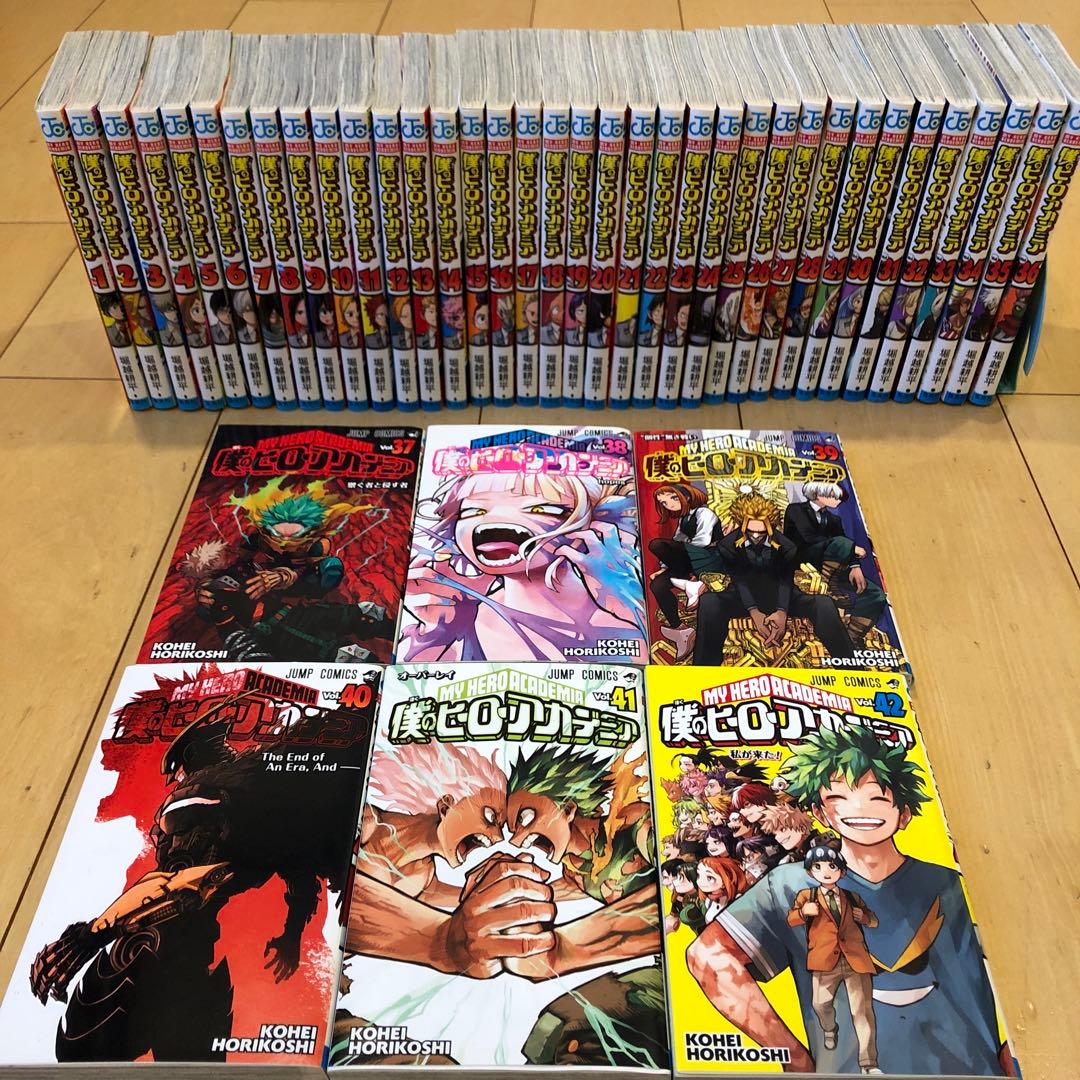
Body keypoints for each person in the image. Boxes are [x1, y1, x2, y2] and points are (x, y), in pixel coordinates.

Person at [686, 725, 1013, 1076]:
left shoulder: (952, 883)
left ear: (904, 813)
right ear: (820, 812)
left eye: (877, 797)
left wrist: (1017, 1060)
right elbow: (709, 958)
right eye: (839, 796)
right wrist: (795, 1060)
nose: (859, 808)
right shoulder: (789, 884)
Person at [692, 491, 854, 664]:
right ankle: (704, 668)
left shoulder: (787, 546)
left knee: (823, 603)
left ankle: (850, 665)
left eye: (761, 532)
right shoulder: (727, 545)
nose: (755, 536)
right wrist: (753, 611)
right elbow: (739, 579)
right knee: (710, 602)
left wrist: (782, 611)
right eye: (750, 531)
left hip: (782, 594)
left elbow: (785, 581)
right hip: (742, 595)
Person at [788, 844, 881, 1075]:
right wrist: (803, 913)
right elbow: (791, 919)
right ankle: (830, 1029)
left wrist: (865, 917)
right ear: (811, 872)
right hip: (824, 961)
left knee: (862, 1012)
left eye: (832, 866)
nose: (826, 871)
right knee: (821, 1004)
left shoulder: (852, 897)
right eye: (818, 867)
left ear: (842, 871)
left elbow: (874, 921)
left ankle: (869, 1063)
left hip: (855, 960)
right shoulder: (806, 896)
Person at [783, 480, 887, 647]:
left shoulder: (834, 519)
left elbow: (843, 542)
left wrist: (854, 566)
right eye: (833, 496)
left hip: (832, 564)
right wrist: (851, 548)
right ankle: (829, 585)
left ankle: (851, 636)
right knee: (840, 542)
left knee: (876, 594)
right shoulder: (796, 510)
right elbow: (807, 538)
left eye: (839, 497)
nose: (838, 500)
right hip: (803, 561)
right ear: (817, 494)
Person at [647, 484, 726, 660]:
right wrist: (665, 568)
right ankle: (681, 630)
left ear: (687, 497)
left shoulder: (704, 513)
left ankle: (693, 584)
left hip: (709, 559)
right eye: (664, 503)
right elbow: (677, 541)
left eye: (673, 498)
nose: (669, 505)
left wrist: (679, 556)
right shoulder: (684, 519)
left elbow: (703, 541)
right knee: (657, 586)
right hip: (690, 561)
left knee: (657, 545)